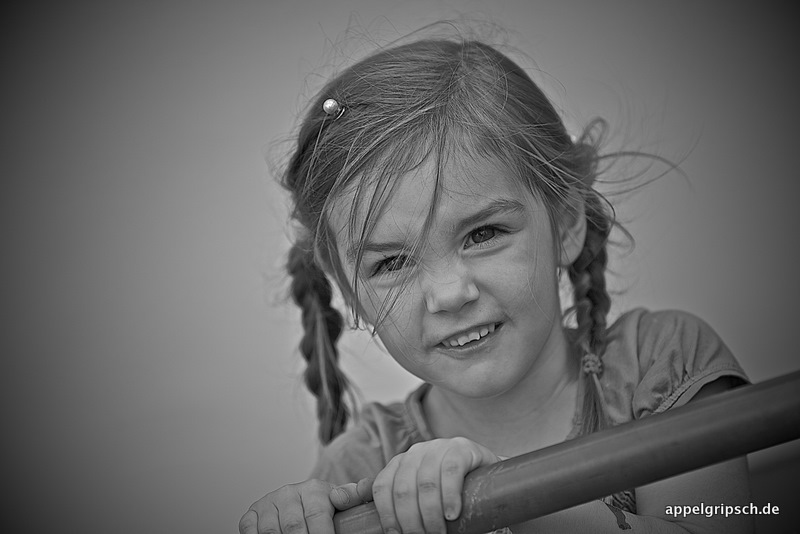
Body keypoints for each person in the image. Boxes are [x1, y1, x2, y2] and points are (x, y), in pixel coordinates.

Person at [240, 32, 753, 534]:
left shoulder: (661, 365)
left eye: (483, 234)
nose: (449, 294)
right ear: (354, 296)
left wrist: (503, 497)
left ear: (567, 222)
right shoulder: (359, 468)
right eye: (391, 263)